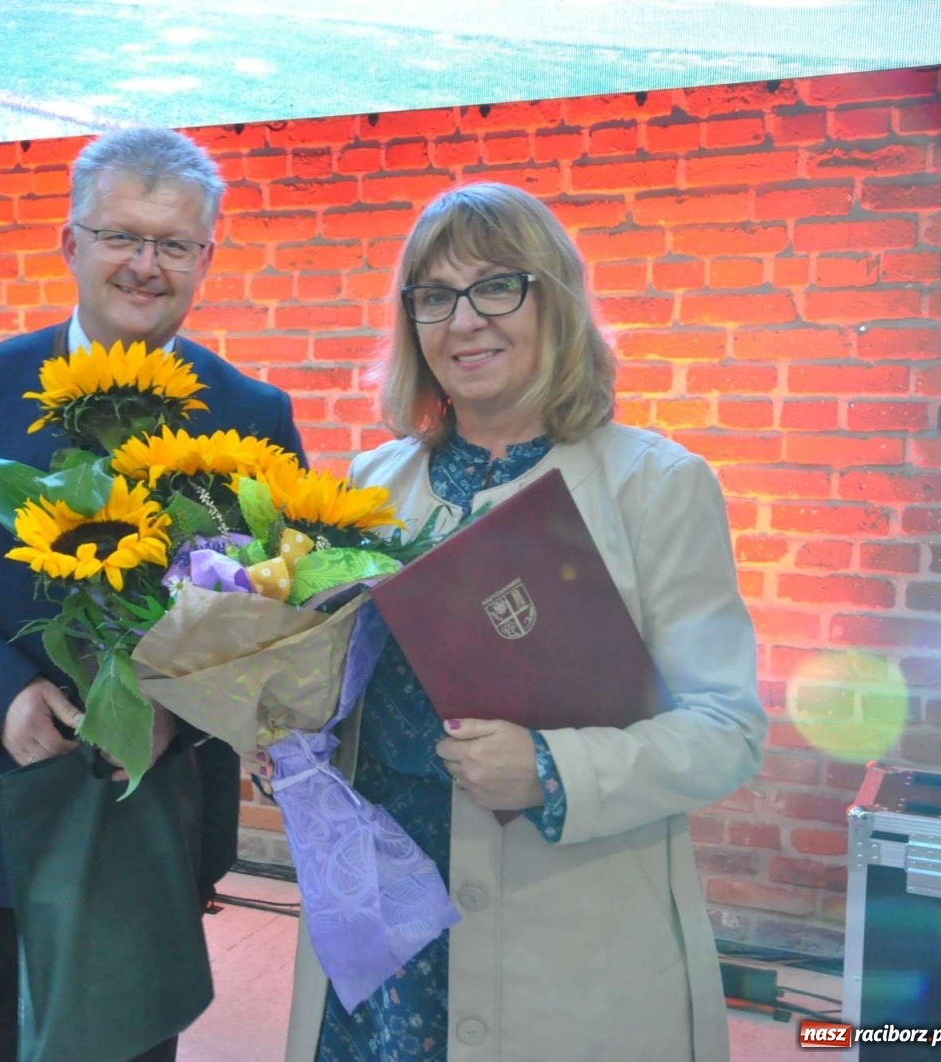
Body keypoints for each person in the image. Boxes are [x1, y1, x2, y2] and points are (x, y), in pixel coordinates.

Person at [283, 182, 766, 1061]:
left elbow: (725, 731)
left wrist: (550, 768)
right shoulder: (370, 484)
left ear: (556, 299)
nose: (465, 320)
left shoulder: (656, 486)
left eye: (497, 286)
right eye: (435, 296)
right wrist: (286, 735)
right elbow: (341, 692)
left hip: (565, 929)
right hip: (386, 918)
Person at [0, 127, 305, 1062]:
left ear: (206, 258)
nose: (145, 265)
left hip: (157, 816)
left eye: (173, 244)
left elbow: (281, 608)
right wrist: (2, 695)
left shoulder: (253, 418)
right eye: (121, 236)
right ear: (70, 243)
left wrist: (183, 707)